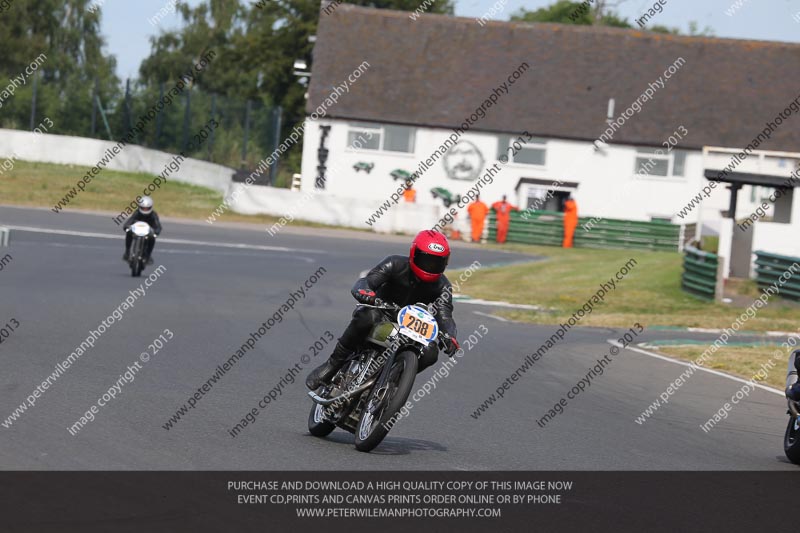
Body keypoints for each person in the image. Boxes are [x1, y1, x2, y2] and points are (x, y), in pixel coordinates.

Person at [306, 229, 460, 390]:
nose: (431, 266)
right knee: (367, 316)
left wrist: (450, 336)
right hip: (381, 313)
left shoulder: (443, 286)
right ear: (413, 254)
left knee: (431, 351)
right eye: (427, 260)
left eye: (437, 262)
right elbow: (367, 281)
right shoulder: (394, 263)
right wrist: (365, 292)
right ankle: (332, 365)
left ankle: (394, 383)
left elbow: (445, 315)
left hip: (410, 327)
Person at [122, 196, 162, 264]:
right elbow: (129, 221)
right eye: (143, 208)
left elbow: (158, 225)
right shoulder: (137, 213)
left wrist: (156, 232)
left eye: (147, 208)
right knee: (128, 232)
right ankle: (127, 252)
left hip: (148, 232)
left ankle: (148, 256)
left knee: (152, 238)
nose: (145, 210)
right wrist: (126, 227)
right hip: (137, 230)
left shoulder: (153, 214)